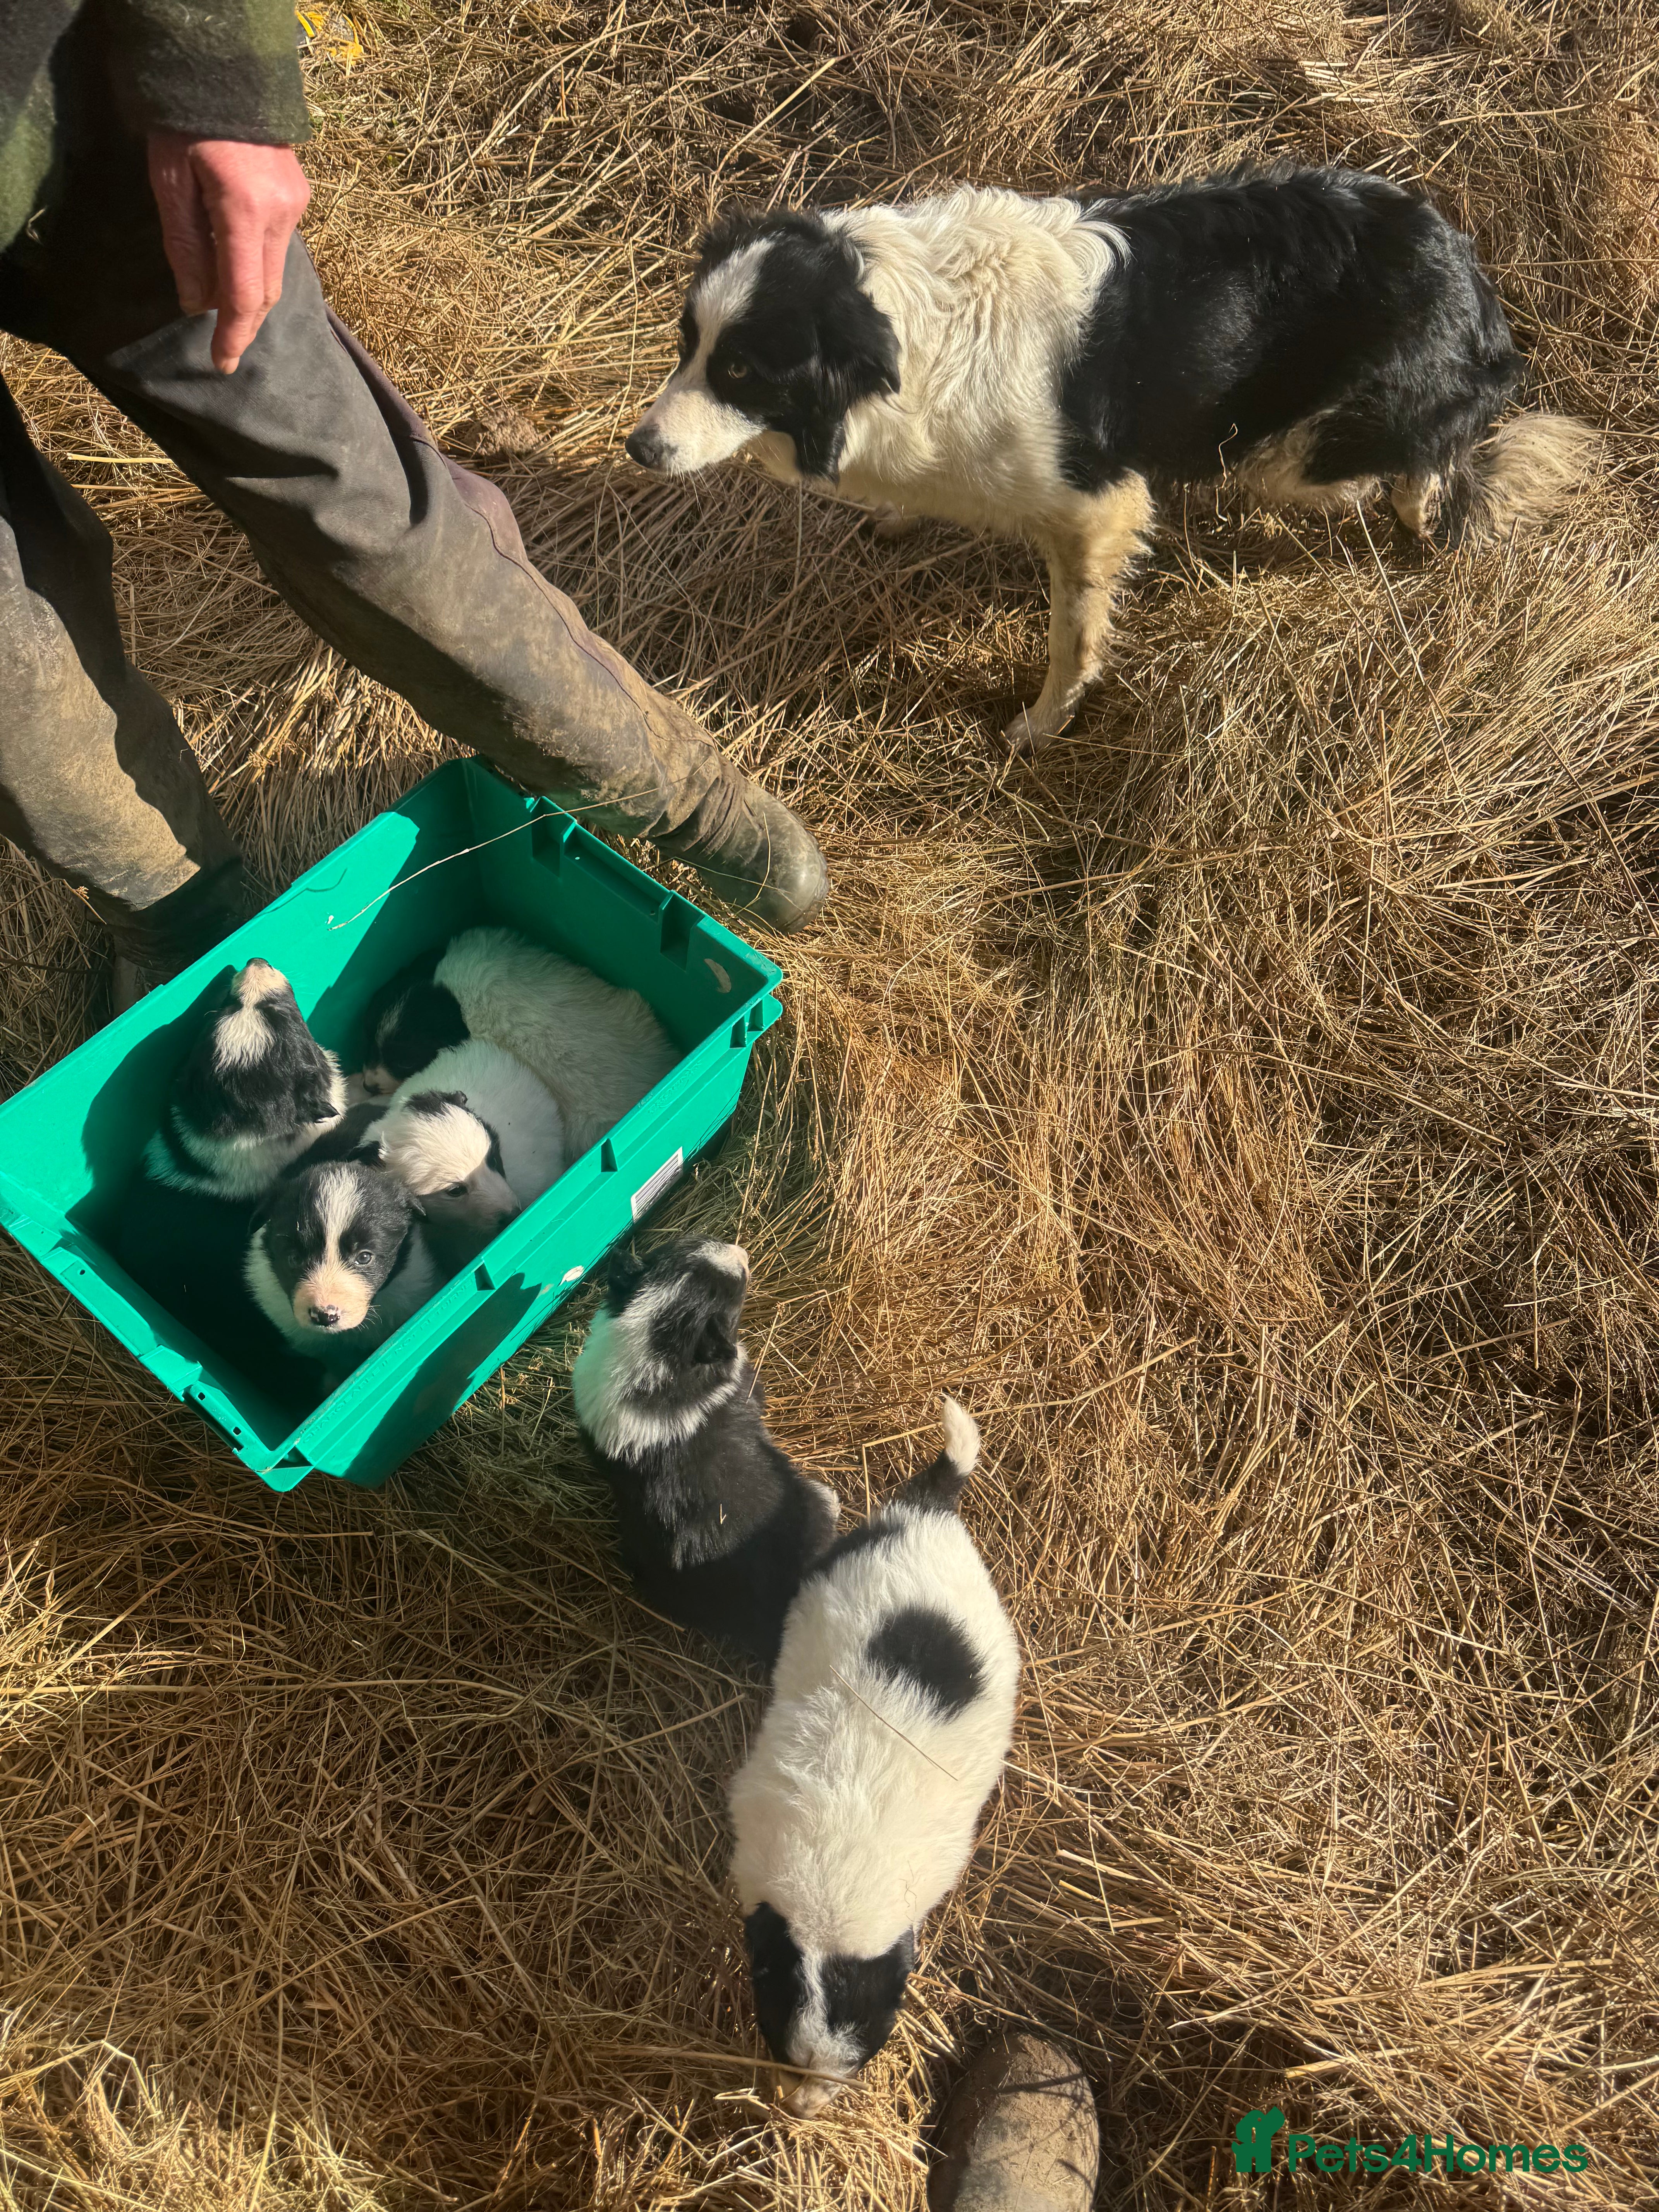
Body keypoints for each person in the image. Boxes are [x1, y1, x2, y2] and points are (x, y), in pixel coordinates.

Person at [0, 1, 829, 1013]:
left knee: (367, 514)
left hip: (71, 118)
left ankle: (684, 801)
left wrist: (215, 79)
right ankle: (186, 927)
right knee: (12, 681)